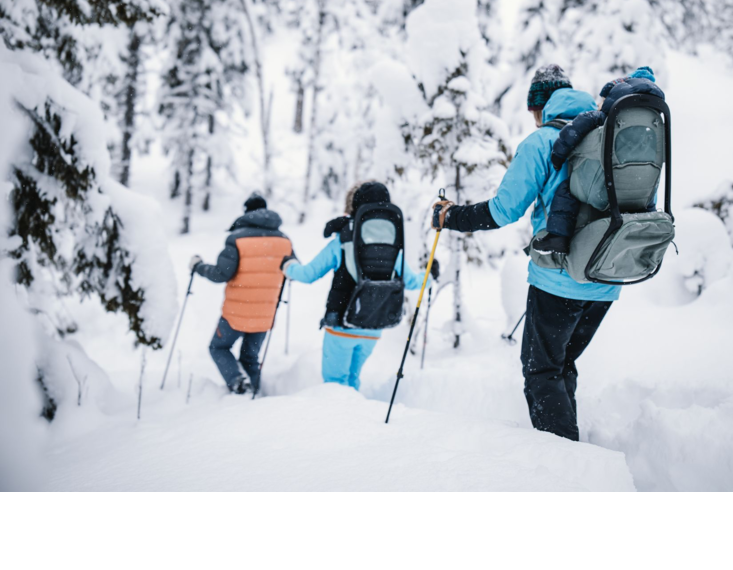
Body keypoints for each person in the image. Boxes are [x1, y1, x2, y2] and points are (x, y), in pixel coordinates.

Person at [431, 65, 619, 443]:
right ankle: (574, 452)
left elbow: (503, 211)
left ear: (539, 107)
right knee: (561, 363)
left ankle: (565, 464)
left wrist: (450, 216)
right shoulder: (608, 132)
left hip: (560, 280)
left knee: (541, 371)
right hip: (607, 279)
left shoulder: (543, 142)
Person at [282, 181, 438, 392]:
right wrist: (430, 275)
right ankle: (354, 421)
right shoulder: (392, 246)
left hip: (341, 325)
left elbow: (309, 274)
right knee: (352, 382)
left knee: (334, 386)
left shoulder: (343, 240)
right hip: (373, 328)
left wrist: (288, 266)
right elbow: (412, 282)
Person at [531, 67, 665, 254]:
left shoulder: (603, 116)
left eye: (602, 100)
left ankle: (558, 238)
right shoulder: (652, 121)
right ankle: (648, 228)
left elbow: (574, 130)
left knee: (567, 189)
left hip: (607, 189)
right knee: (645, 199)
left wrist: (558, 155)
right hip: (641, 189)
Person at [190, 194, 293, 396]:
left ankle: (238, 383)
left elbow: (221, 274)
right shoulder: (285, 241)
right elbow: (292, 271)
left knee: (218, 348)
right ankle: (256, 394)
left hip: (236, 311)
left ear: (246, 211)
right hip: (266, 312)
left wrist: (198, 266)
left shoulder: (237, 239)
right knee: (250, 357)